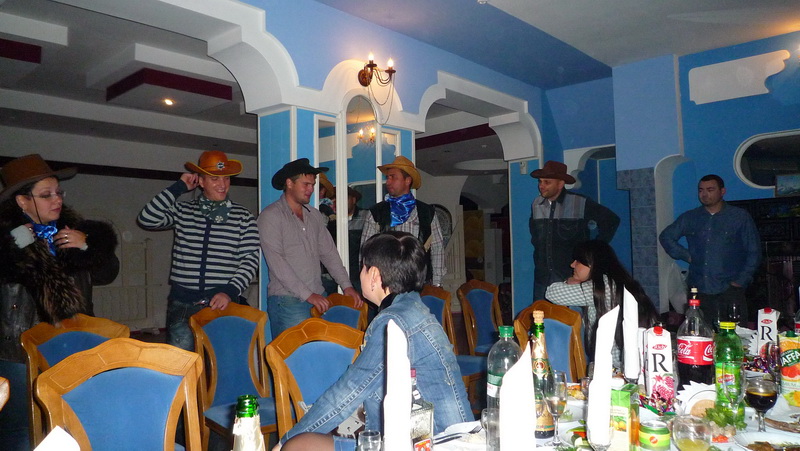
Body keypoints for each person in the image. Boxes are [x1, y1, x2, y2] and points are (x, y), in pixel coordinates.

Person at [276, 232, 471, 451]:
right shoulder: (414, 309)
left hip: (427, 444)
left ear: (374, 275)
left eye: (363, 267)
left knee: (297, 446)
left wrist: (283, 441)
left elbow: (348, 391)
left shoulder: (394, 323)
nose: (360, 273)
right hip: (446, 439)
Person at [0, 154, 119, 449]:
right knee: (22, 429)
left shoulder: (74, 231)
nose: (57, 200)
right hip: (19, 348)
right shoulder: (5, 238)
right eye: (46, 195)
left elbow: (107, 274)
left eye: (58, 192)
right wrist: (11, 248)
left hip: (73, 342)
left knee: (73, 420)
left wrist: (87, 246)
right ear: (22, 201)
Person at [137, 150, 259, 351]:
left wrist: (229, 292)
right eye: (214, 179)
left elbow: (251, 259)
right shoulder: (183, 211)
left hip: (223, 303)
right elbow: (146, 218)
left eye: (226, 178)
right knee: (182, 361)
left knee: (222, 360)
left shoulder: (243, 217)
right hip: (183, 303)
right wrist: (178, 188)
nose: (222, 184)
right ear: (200, 181)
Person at [258, 158, 363, 339]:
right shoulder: (270, 216)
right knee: (293, 355)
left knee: (318, 352)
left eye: (312, 185)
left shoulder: (313, 215)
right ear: (289, 183)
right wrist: (308, 295)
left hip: (318, 297)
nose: (311, 189)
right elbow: (277, 264)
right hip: (287, 301)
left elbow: (329, 253)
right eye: (306, 184)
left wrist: (346, 285)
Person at [659, 174, 761, 325]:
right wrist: (686, 255)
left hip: (729, 287)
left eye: (710, 190)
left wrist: (740, 281)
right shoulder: (691, 217)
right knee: (699, 332)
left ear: (722, 191)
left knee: (735, 332)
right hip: (699, 288)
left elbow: (754, 251)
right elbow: (666, 237)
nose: (704, 194)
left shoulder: (739, 217)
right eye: (701, 190)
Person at [545, 240, 658, 368]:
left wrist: (569, 282)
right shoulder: (617, 282)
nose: (572, 265)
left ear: (592, 264)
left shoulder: (602, 286)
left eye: (578, 261)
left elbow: (552, 293)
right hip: (640, 362)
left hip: (617, 368)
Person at [529, 160, 620, 300]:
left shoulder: (580, 202)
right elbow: (535, 235)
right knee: (539, 312)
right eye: (540, 181)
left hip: (570, 274)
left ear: (560, 184)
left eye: (547, 182)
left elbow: (611, 220)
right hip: (543, 275)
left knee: (570, 313)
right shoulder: (536, 204)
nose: (541, 186)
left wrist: (593, 251)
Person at [360, 156, 446, 287]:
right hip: (387, 284)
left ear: (407, 180)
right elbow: (366, 251)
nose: (388, 182)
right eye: (387, 177)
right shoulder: (376, 213)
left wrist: (437, 283)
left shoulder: (427, 212)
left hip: (420, 282)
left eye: (393, 177)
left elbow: (437, 248)